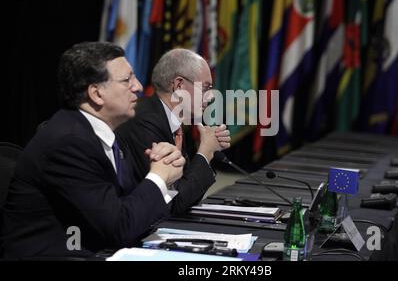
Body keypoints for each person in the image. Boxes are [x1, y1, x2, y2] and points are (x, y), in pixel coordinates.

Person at [0, 42, 186, 259]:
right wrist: (158, 177)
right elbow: (120, 228)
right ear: (96, 93)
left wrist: (166, 173)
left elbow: (128, 209)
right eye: (127, 80)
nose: (138, 86)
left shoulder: (105, 133)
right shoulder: (68, 142)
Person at [116, 48, 231, 214]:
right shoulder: (145, 122)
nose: (212, 96)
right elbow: (176, 203)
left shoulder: (174, 122)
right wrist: (206, 152)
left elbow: (187, 193)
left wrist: (208, 151)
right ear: (179, 85)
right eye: (205, 88)